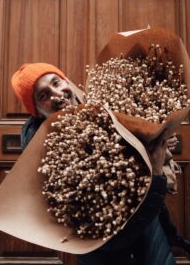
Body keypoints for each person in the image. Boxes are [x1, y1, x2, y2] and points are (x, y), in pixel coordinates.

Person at [11, 62, 189, 264]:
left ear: (66, 80)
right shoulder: (45, 159)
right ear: (36, 111)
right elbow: (110, 239)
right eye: (43, 95)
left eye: (56, 82)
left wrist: (156, 139)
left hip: (148, 227)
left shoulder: (99, 105)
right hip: (105, 249)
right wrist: (156, 172)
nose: (57, 94)